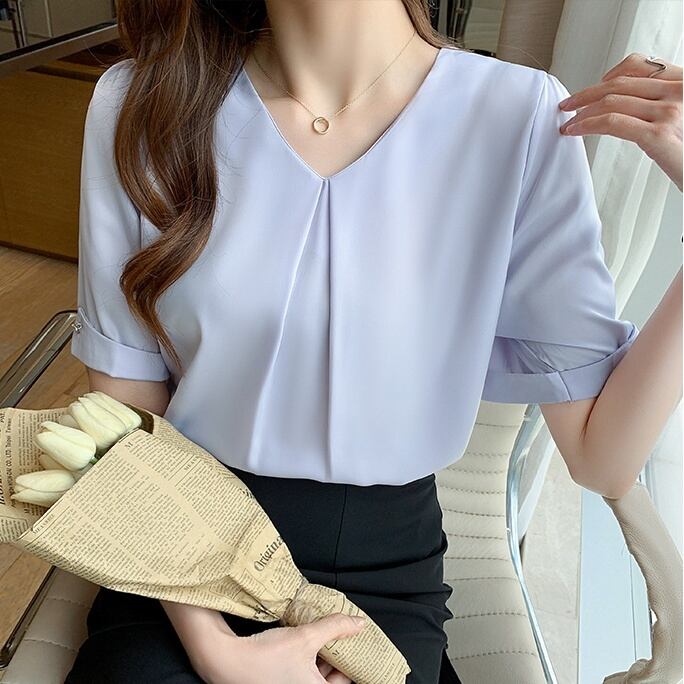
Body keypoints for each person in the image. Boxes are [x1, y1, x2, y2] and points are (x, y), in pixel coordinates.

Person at [64, 0, 683, 682]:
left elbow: (601, 456)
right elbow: (126, 418)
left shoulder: (518, 115)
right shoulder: (141, 102)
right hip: (183, 555)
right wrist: (214, 648)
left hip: (378, 575)